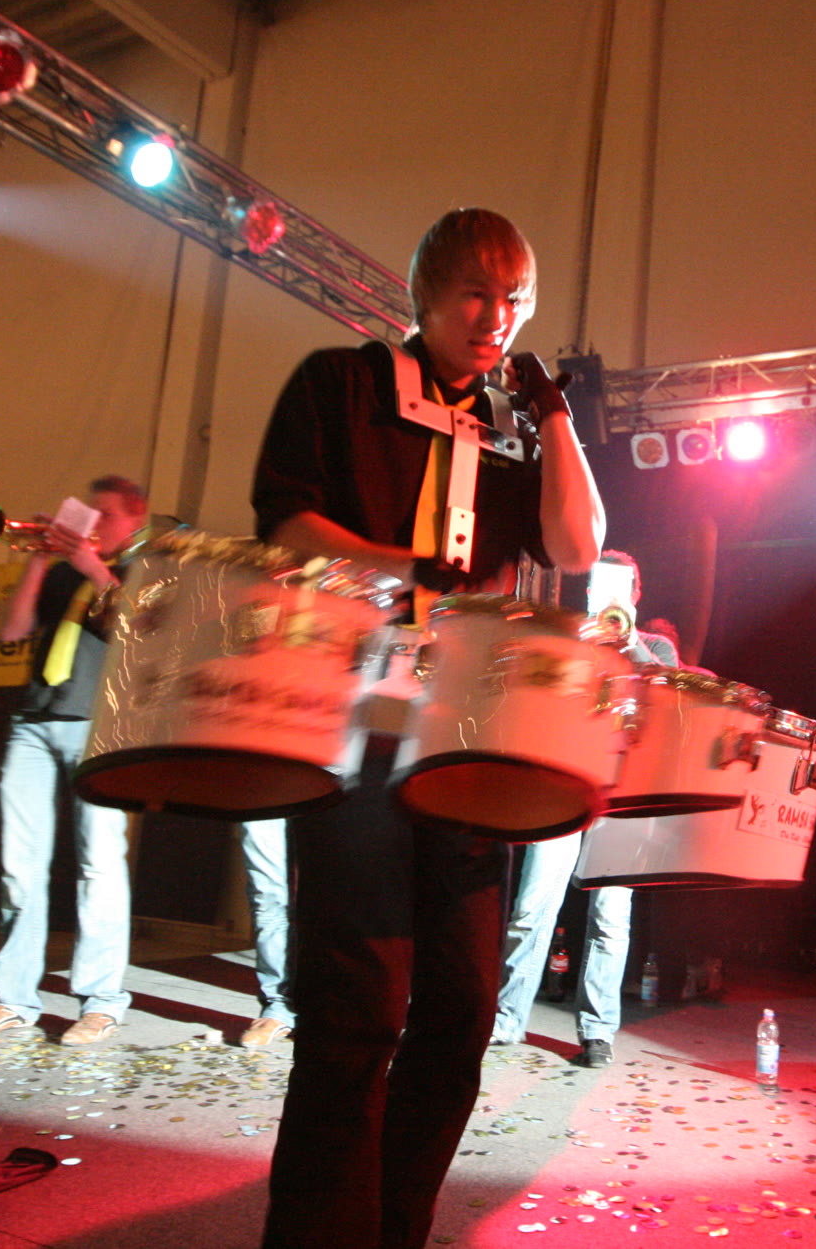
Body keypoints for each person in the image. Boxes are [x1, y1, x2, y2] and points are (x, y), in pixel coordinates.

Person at [251, 207, 604, 1249]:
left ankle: (395, 1229)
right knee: (357, 1013)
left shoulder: (510, 430)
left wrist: (553, 415)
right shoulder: (343, 384)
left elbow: (577, 545)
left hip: (467, 744)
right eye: (477, 295)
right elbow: (286, 524)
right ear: (425, 294)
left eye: (516, 301)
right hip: (354, 725)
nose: (498, 318)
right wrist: (405, 572)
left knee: (461, 1013)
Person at [0, 475, 149, 1046]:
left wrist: (91, 565)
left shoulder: (146, 571)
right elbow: (14, 629)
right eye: (91, 511)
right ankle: (14, 999)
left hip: (100, 727)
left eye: (106, 514)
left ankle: (101, 1001)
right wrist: (39, 560)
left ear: (135, 518)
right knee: (19, 868)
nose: (93, 521)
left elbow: (140, 631)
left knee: (100, 866)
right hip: (33, 724)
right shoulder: (64, 572)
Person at [491, 550, 674, 1068]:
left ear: (635, 595)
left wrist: (628, 641)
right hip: (567, 784)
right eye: (599, 586)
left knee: (611, 918)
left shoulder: (655, 647)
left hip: (623, 795)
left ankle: (597, 1032)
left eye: (620, 588)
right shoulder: (570, 636)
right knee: (532, 907)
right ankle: (506, 1020)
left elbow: (667, 698)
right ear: (589, 592)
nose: (608, 595)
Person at [236, 817, 296, 1048]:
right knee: (267, 895)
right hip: (266, 797)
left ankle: (335, 1004)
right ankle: (279, 1006)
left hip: (340, 795)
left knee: (336, 893)